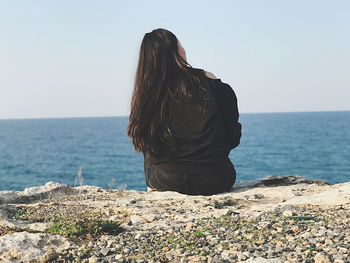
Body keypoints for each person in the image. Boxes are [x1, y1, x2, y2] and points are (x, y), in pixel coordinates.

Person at [127, 28, 241, 195]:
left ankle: (152, 191)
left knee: (150, 147)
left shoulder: (147, 95)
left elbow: (144, 143)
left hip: (166, 181)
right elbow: (233, 137)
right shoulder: (211, 84)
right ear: (176, 51)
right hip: (215, 179)